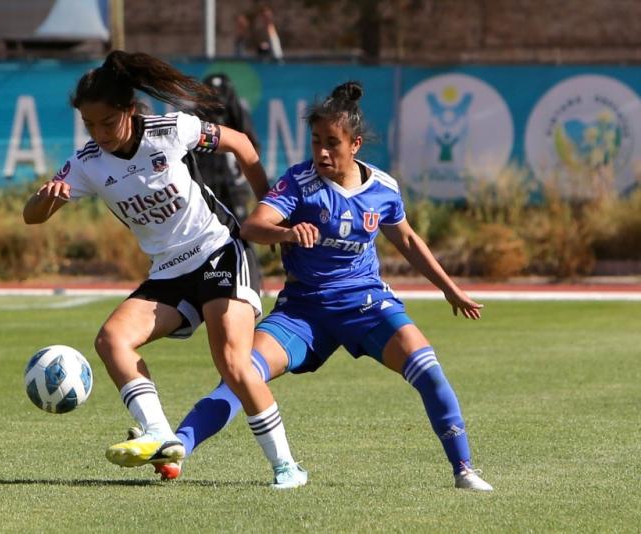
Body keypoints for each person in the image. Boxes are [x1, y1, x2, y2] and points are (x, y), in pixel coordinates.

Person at [144, 81, 493, 491]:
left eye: (333, 142)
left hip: (366, 305)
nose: (322, 152)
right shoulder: (299, 183)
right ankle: (177, 448)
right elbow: (255, 226)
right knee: (241, 375)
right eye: (316, 141)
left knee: (428, 369)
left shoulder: (382, 189)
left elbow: (410, 241)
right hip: (301, 312)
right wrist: (289, 233)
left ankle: (464, 470)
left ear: (355, 144)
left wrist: (449, 289)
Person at [22, 50, 307, 489]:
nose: (99, 134)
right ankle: (159, 434)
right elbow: (31, 216)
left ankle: (286, 466)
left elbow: (244, 146)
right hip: (169, 273)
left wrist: (272, 212)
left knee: (232, 360)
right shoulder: (87, 162)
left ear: (130, 110)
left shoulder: (171, 130)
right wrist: (48, 198)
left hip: (218, 251)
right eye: (89, 126)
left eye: (106, 123)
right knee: (112, 339)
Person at [195, 73, 259, 222]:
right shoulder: (196, 120)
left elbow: (251, 144)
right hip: (207, 182)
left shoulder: (237, 116)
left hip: (233, 185)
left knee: (240, 227)